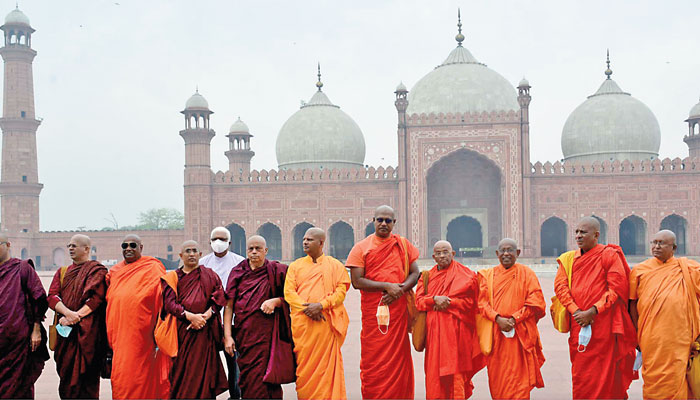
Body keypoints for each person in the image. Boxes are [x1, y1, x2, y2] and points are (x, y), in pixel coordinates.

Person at [553, 217, 637, 399]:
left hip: (604, 326)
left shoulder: (609, 255)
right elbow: (560, 288)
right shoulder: (568, 259)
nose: (578, 236)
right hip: (579, 325)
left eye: (583, 232)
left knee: (607, 371)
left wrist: (593, 310)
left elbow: (616, 288)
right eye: (576, 232)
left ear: (596, 235)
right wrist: (576, 311)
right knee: (582, 374)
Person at [346, 205, 420, 399]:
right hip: (374, 314)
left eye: (388, 220)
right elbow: (356, 281)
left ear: (394, 223)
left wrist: (400, 290)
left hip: (398, 311)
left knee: (398, 357)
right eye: (380, 220)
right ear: (373, 221)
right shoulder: (361, 248)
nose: (384, 224)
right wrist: (387, 286)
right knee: (374, 358)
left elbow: (415, 272)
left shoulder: (403, 245)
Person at [630, 230, 700, 399]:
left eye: (662, 243)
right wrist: (636, 333)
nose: (656, 246)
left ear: (674, 247)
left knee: (678, 379)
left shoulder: (691, 269)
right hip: (651, 337)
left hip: (681, 337)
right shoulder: (640, 270)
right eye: (654, 242)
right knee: (654, 380)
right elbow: (632, 304)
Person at [284, 227, 350, 400]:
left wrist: (321, 305)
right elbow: (289, 293)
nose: (305, 242)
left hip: (325, 325)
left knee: (327, 370)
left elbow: (341, 292)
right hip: (303, 328)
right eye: (304, 239)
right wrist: (308, 309)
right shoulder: (295, 266)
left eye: (309, 239)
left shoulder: (335, 265)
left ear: (321, 243)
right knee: (305, 371)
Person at [478, 238, 546, 399]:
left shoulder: (527, 274)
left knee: (519, 382)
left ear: (518, 253)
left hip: (521, 336)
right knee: (498, 379)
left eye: (510, 250)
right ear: (497, 253)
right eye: (503, 250)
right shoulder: (488, 276)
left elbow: (536, 302)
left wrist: (515, 319)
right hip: (496, 336)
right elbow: (482, 303)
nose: (506, 254)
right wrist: (497, 318)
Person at [415, 240, 484, 399]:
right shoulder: (426, 277)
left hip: (456, 336)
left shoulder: (466, 275)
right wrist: (434, 300)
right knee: (434, 375)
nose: (442, 256)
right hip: (434, 337)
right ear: (433, 256)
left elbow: (473, 304)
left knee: (456, 375)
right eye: (438, 253)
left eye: (445, 252)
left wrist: (450, 303)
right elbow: (419, 302)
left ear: (452, 254)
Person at [224, 235, 289, 399]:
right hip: (245, 336)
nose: (254, 252)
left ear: (266, 251)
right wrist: (228, 337)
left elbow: (293, 297)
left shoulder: (277, 270)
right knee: (248, 379)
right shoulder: (238, 272)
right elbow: (229, 306)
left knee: (268, 378)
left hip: (268, 337)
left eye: (258, 249)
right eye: (250, 249)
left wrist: (277, 301)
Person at [105, 234, 170, 399]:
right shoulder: (114, 272)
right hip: (119, 336)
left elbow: (161, 300)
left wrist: (158, 331)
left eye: (133, 245)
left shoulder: (152, 268)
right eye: (124, 245)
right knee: (121, 377)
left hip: (143, 336)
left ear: (141, 248)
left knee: (142, 376)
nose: (128, 248)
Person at [162, 240, 228, 399]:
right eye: (187, 251)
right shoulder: (172, 277)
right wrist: (190, 316)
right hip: (183, 333)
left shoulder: (210, 275)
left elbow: (219, 297)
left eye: (194, 251)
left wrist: (207, 315)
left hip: (205, 334)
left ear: (200, 254)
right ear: (181, 255)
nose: (191, 254)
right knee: (182, 372)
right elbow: (169, 303)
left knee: (205, 374)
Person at [47, 234, 108, 399]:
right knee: (66, 376)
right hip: (65, 332)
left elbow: (96, 298)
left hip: (88, 333)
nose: (71, 249)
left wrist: (77, 317)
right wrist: (69, 314)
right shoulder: (62, 272)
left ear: (87, 249)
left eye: (74, 245)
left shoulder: (97, 271)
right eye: (69, 246)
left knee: (88, 379)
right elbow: (52, 296)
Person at [0, 233, 49, 399]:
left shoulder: (22, 268)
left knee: (20, 384)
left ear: (8, 245)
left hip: (18, 340)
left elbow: (40, 298)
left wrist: (36, 328)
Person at [199, 226, 245, 399]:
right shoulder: (203, 263)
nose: (218, 243)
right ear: (210, 242)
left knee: (234, 361)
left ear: (229, 243)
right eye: (215, 239)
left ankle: (235, 395)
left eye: (222, 239)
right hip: (209, 320)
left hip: (232, 321)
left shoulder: (240, 262)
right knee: (208, 361)